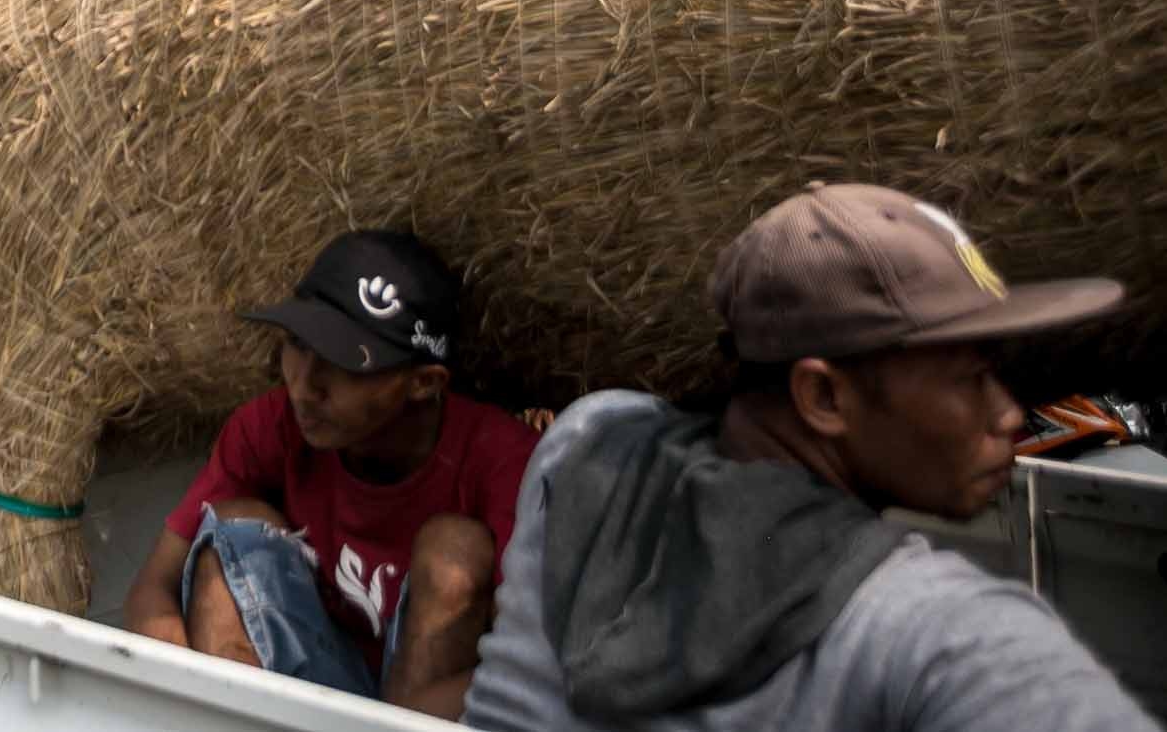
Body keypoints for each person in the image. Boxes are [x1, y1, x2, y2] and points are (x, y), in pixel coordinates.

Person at [462, 183, 1154, 732]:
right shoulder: (937, 629)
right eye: (970, 376)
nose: (1008, 412)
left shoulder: (585, 445)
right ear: (822, 394)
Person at [124, 231, 538, 719]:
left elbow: (534, 667)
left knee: (455, 552)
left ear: (424, 383)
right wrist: (195, 699)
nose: (304, 385)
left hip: (426, 712)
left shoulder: (504, 458)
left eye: (346, 362)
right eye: (298, 343)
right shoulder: (267, 428)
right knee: (233, 527)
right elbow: (153, 590)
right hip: (309, 697)